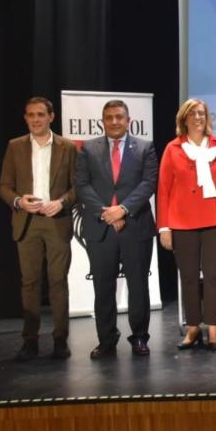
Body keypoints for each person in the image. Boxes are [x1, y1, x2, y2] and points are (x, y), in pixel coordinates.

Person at [75, 99, 158, 358]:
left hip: (136, 227)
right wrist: (107, 213)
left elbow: (148, 183)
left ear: (128, 120)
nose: (114, 121)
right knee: (103, 287)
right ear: (103, 121)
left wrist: (122, 209)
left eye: (119, 117)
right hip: (100, 228)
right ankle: (107, 340)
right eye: (109, 117)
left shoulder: (145, 148)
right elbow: (82, 184)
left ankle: (140, 338)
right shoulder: (88, 148)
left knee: (138, 286)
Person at [0, 97, 78, 360]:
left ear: (51, 117)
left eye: (41, 114)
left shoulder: (67, 147)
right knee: (29, 283)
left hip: (56, 221)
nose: (35, 119)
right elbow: (4, 186)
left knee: (58, 283)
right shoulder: (15, 146)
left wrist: (61, 202)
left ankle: (60, 340)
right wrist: (19, 201)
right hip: (27, 222)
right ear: (25, 117)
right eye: (30, 115)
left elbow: (79, 187)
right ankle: (30, 341)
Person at [157, 98, 216, 350]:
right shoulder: (173, 148)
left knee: (213, 277)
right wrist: (164, 227)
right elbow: (164, 189)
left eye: (202, 113)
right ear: (184, 119)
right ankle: (192, 328)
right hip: (182, 222)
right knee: (189, 277)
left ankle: (213, 328)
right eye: (193, 114)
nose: (198, 117)